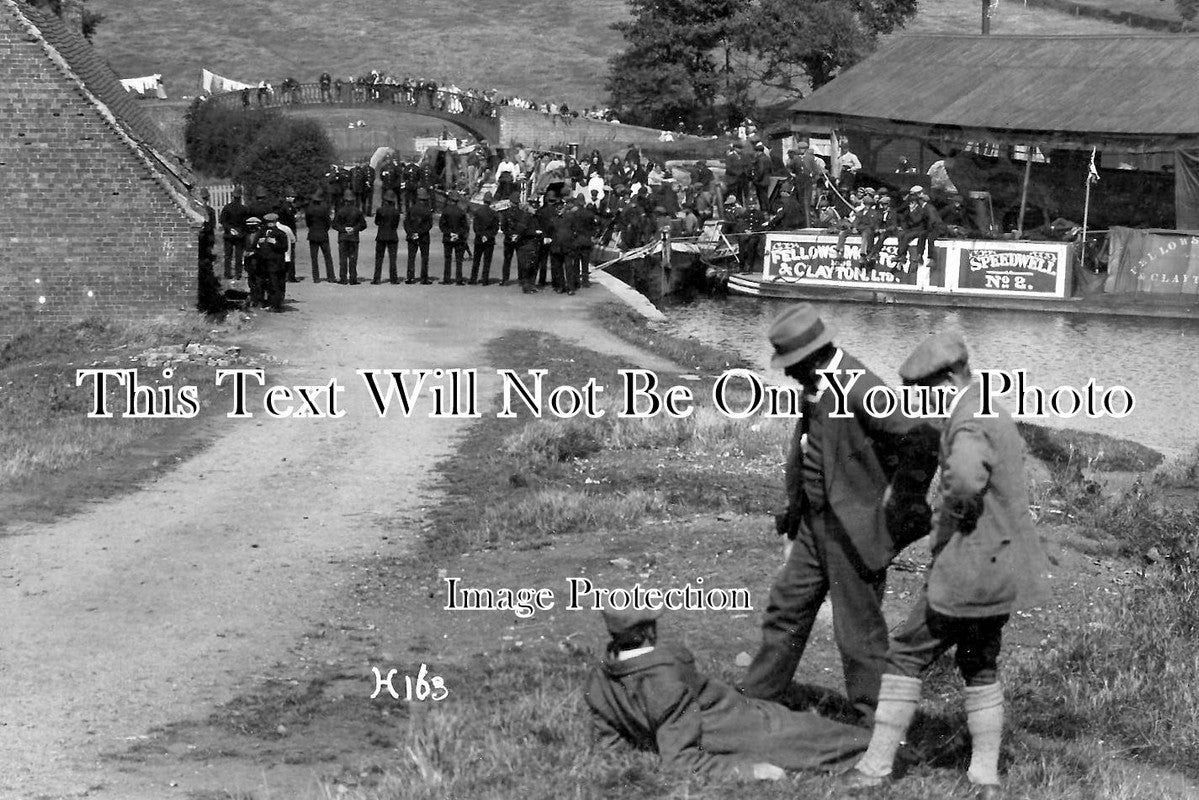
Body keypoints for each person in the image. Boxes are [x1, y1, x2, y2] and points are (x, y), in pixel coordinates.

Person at [838, 332, 1049, 797]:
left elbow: (968, 480)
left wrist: (948, 517)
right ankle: (985, 776)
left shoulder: (969, 419)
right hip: (1001, 568)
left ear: (950, 377)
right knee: (980, 663)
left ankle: (874, 767)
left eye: (927, 391)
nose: (924, 403)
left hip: (968, 568)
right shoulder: (992, 407)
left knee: (906, 654)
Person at [740, 304, 937, 723]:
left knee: (858, 631)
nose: (787, 372)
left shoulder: (860, 385)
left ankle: (879, 722)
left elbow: (921, 439)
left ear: (812, 354)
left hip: (853, 530)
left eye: (791, 363)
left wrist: (897, 508)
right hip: (815, 523)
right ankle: (757, 698)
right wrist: (796, 508)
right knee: (786, 608)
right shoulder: (818, 381)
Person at [585, 607, 870, 780]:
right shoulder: (667, 678)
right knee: (843, 741)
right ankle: (899, 750)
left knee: (816, 729)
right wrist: (749, 771)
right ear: (649, 630)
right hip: (746, 730)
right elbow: (682, 762)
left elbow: (611, 744)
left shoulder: (599, 678)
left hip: (737, 714)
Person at [894, 186, 942, 273]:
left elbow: (929, 220)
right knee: (903, 234)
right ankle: (903, 255)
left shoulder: (926, 208)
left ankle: (924, 257)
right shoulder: (920, 208)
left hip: (930, 229)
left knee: (919, 236)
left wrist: (928, 229)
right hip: (921, 228)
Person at [333, 188, 367, 284]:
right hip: (354, 238)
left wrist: (344, 229)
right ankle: (353, 278)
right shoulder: (357, 211)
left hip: (343, 238)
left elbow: (334, 225)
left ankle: (343, 278)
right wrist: (354, 229)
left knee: (343, 259)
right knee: (353, 259)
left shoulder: (340, 211)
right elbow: (363, 225)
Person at [260, 213, 290, 311]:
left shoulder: (280, 233)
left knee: (277, 283)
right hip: (267, 262)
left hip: (277, 262)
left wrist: (275, 243)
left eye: (271, 222)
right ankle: (272, 303)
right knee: (270, 284)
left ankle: (277, 304)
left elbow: (284, 247)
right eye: (268, 222)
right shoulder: (263, 232)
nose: (270, 224)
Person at [404, 187, 434, 284]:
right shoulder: (427, 210)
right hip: (424, 236)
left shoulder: (411, 209)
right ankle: (424, 278)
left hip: (412, 235)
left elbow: (406, 223)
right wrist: (420, 233)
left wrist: (411, 233)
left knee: (411, 257)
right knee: (424, 257)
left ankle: (410, 277)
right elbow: (429, 225)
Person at [440, 193, 470, 285]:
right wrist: (457, 234)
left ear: (450, 200)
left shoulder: (445, 211)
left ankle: (447, 279)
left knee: (448, 259)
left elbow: (442, 225)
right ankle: (459, 279)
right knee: (459, 260)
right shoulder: (461, 212)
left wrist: (449, 233)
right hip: (459, 238)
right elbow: (465, 227)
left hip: (448, 238)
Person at [470, 192, 500, 285]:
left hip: (479, 239)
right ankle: (485, 279)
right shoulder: (494, 214)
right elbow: (495, 228)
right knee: (487, 261)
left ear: (483, 200)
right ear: (491, 202)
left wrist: (481, 235)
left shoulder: (478, 212)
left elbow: (475, 227)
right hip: (489, 239)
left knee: (476, 260)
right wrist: (487, 236)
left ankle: (473, 279)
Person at [305, 190, 335, 283]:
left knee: (314, 257)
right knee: (327, 256)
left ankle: (316, 277)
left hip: (313, 233)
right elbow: (328, 222)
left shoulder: (309, 209)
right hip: (323, 234)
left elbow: (308, 222)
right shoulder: (325, 208)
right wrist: (325, 229)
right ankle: (331, 276)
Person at [372, 190, 402, 284]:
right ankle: (394, 278)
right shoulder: (396, 212)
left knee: (379, 258)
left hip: (381, 235)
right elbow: (396, 224)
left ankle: (377, 278)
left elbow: (377, 222)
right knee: (393, 259)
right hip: (392, 236)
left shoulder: (380, 210)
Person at [219, 187, 248, 280]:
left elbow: (222, 221)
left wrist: (230, 229)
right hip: (240, 234)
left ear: (233, 196)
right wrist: (240, 231)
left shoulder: (227, 208)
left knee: (228, 255)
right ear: (240, 197)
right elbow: (245, 223)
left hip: (228, 234)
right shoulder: (244, 209)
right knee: (239, 255)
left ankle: (227, 274)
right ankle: (238, 274)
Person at [751, 140, 774, 212]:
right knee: (765, 196)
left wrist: (756, 179)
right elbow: (771, 169)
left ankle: (764, 211)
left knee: (761, 197)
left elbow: (760, 170)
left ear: (758, 152)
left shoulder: (760, 159)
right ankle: (768, 209)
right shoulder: (768, 158)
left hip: (760, 181)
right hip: (766, 180)